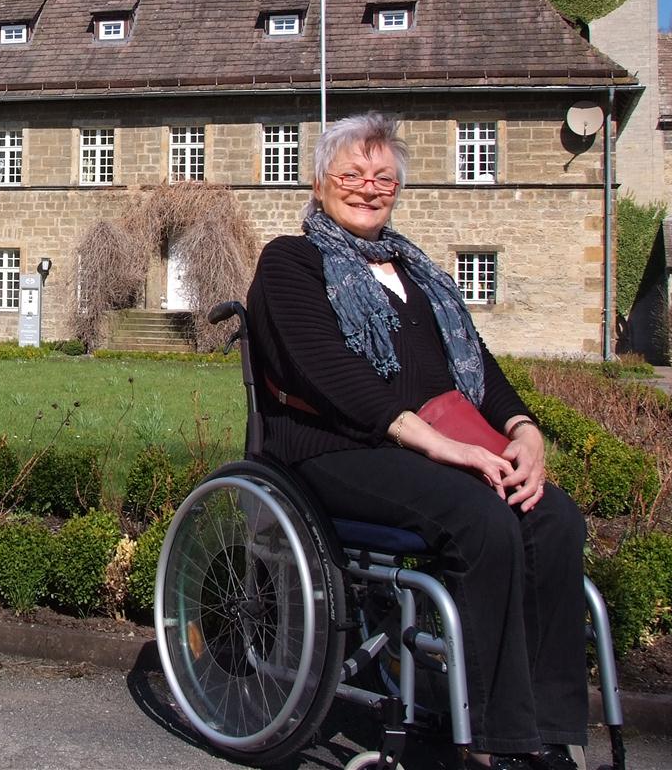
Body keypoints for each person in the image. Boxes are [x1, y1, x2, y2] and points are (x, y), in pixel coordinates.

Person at [244, 111, 586, 770]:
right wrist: (435, 443)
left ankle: (546, 731)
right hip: (332, 450)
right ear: (319, 183)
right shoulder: (291, 261)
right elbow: (329, 374)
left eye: (383, 177)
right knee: (480, 519)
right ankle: (497, 741)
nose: (368, 188)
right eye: (351, 174)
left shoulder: (419, 274)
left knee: (552, 517)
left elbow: (478, 370)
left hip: (425, 449)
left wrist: (523, 430)